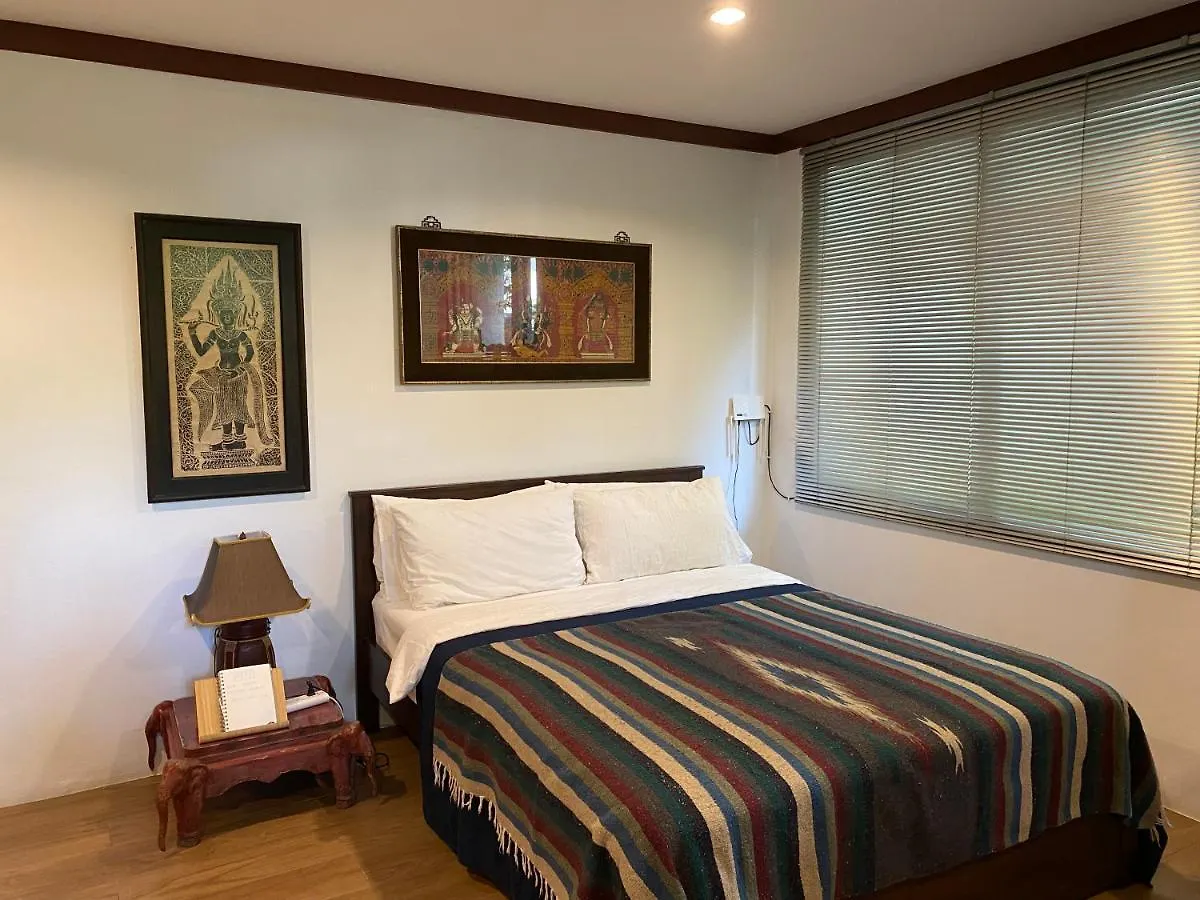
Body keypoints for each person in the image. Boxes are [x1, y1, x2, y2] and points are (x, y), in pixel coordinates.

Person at [186, 260, 268, 452]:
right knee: (224, 407)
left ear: (236, 314)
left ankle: (240, 440)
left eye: (230, 313)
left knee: (239, 406)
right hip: (222, 375)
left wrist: (239, 370)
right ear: (219, 315)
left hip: (238, 375)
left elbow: (250, 352)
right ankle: (227, 441)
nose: (227, 317)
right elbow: (201, 352)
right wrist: (192, 333)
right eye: (224, 314)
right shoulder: (215, 333)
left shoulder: (241, 334)